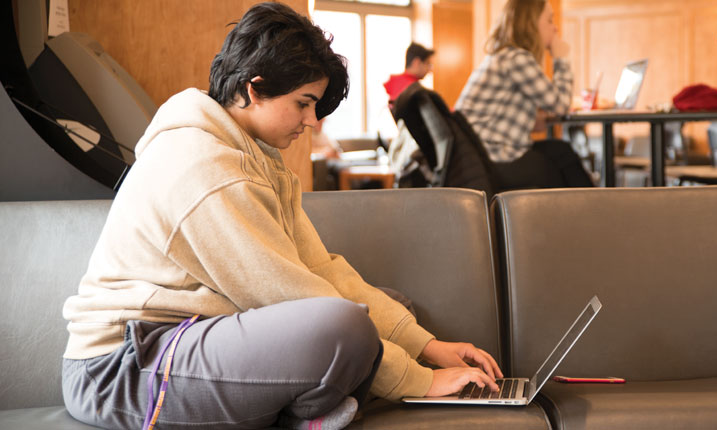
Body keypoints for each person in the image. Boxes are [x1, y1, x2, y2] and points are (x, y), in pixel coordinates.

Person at [60, 3, 501, 430]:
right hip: (124, 368)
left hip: (190, 338)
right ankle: (304, 409)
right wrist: (420, 380)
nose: (311, 121)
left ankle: (302, 406)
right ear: (254, 89)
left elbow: (321, 269)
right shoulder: (204, 164)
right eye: (303, 103)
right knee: (347, 328)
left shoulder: (257, 158)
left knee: (385, 308)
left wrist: (429, 346)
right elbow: (287, 294)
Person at [455, 0, 593, 189]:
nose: (555, 28)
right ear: (531, 23)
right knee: (554, 169)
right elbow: (560, 105)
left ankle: (592, 210)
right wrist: (561, 59)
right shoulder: (517, 58)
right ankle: (593, 211)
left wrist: (533, 118)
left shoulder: (502, 56)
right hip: (495, 158)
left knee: (561, 151)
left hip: (481, 156)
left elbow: (509, 114)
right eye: (550, 20)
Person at [383, 42, 435, 107]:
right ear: (417, 62)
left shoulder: (397, 83)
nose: (430, 70)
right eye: (428, 64)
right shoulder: (412, 90)